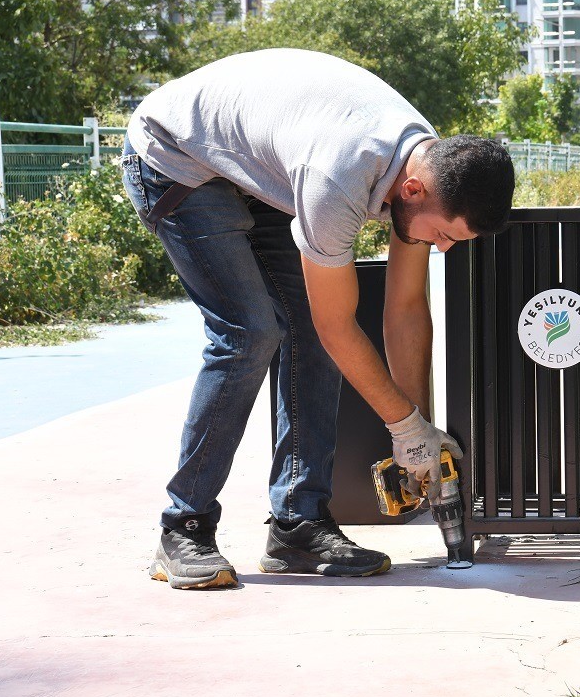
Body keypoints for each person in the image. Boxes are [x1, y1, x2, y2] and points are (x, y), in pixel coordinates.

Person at [121, 48, 514, 589]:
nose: (444, 248)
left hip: (256, 166)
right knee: (251, 330)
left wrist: (415, 434)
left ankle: (297, 526)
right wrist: (403, 426)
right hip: (177, 157)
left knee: (307, 322)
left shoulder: (427, 167)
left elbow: (405, 311)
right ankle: (183, 526)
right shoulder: (340, 177)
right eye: (445, 235)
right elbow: (339, 328)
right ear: (414, 190)